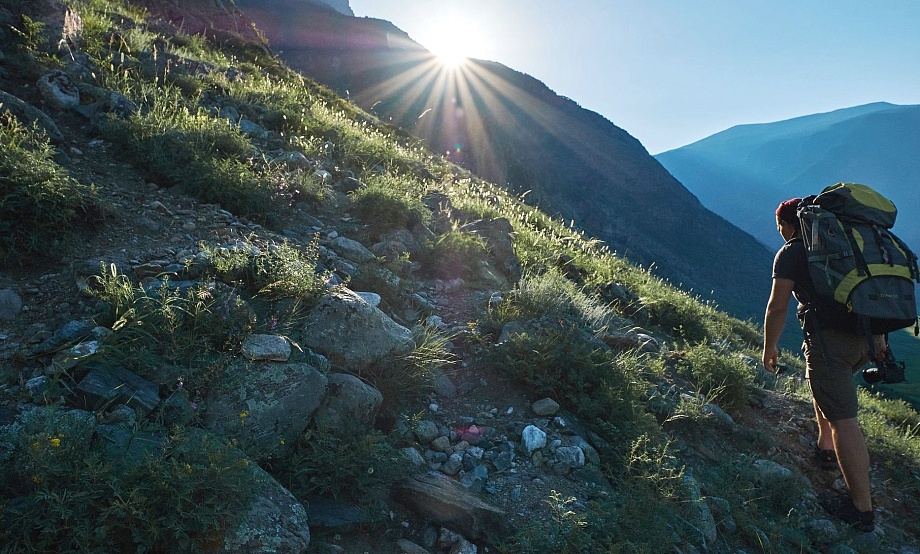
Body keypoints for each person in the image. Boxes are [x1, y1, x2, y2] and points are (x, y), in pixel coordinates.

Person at [762, 197, 883, 533]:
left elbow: (777, 307)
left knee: (845, 421)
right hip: (865, 339)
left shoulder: (792, 252)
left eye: (780, 227)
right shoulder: (844, 246)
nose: (781, 233)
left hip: (832, 344)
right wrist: (881, 340)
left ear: (789, 224)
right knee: (822, 386)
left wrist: (770, 346)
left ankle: (861, 510)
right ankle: (825, 447)